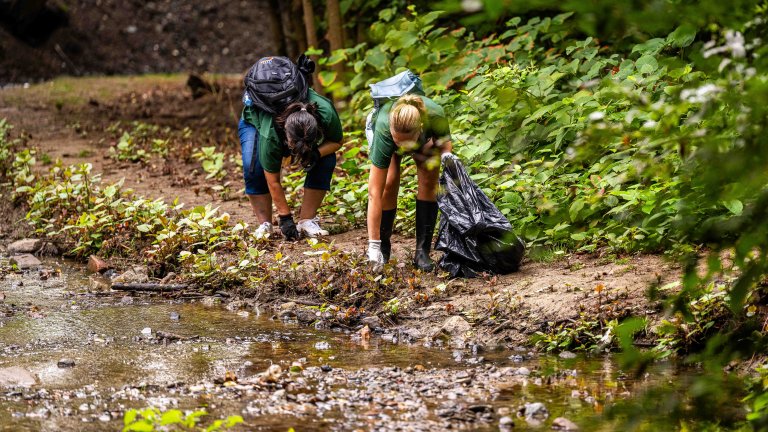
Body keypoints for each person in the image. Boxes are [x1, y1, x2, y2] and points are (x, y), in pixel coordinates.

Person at [238, 65, 343, 240]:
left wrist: (315, 153)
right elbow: (273, 180)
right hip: (253, 122)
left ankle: (306, 220)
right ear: (286, 136)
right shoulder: (270, 134)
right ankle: (265, 224)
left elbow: (337, 141)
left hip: (298, 129)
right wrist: (285, 218)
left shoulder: (326, 112)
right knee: (253, 165)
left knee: (326, 159)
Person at [366, 94, 452, 271]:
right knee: (389, 183)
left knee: (429, 179)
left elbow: (445, 147)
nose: (403, 148)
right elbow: (374, 193)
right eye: (399, 142)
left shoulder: (435, 116)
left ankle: (422, 252)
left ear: (420, 128)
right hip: (385, 133)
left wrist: (448, 159)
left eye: (407, 143)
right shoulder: (384, 128)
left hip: (424, 141)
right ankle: (383, 248)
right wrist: (373, 244)